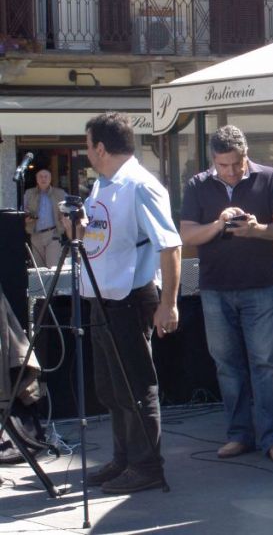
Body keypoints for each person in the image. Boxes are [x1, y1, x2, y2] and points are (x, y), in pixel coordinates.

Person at [70, 112, 182, 495]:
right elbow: (99, 236)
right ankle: (125, 459)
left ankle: (146, 466)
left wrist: (169, 303)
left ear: (101, 148)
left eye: (88, 146)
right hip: (103, 298)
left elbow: (170, 245)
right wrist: (76, 228)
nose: (87, 153)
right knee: (112, 389)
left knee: (136, 386)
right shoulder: (102, 185)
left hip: (130, 298)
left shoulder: (140, 185)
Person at [179, 126, 273, 463]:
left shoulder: (268, 178)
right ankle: (239, 435)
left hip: (260, 285)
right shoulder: (198, 184)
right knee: (227, 365)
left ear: (246, 155)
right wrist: (218, 225)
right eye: (222, 165)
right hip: (215, 288)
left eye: (236, 164)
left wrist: (257, 230)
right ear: (213, 160)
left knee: (267, 364)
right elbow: (188, 235)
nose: (230, 171)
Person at [24, 169, 68, 267]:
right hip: (35, 235)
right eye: (40, 177)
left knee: (53, 267)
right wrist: (25, 218)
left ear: (50, 179)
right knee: (39, 269)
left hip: (53, 234)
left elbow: (70, 208)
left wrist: (64, 217)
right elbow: (22, 210)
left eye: (46, 176)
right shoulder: (29, 193)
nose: (43, 179)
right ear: (36, 179)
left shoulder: (60, 193)